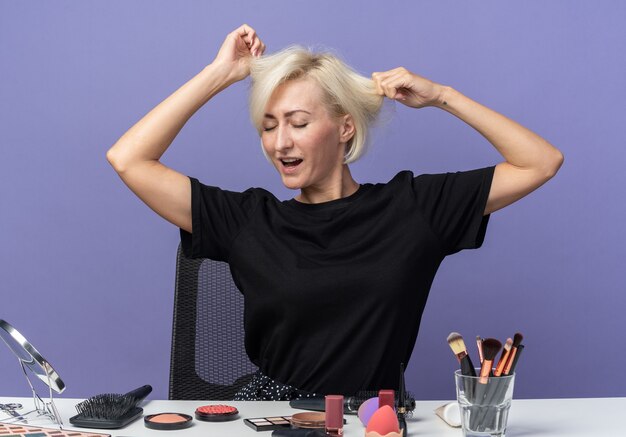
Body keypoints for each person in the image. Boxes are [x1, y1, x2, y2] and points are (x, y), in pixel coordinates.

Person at [107, 24, 563, 400]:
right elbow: (128, 158)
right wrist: (219, 74)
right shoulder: (247, 221)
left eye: (298, 123)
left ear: (345, 127)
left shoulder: (412, 209)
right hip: (271, 423)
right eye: (268, 126)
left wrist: (443, 95)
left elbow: (540, 162)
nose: (280, 142)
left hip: (373, 424)